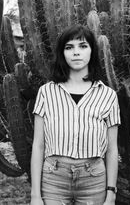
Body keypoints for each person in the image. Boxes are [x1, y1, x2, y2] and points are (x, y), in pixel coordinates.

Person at [30, 25, 121, 205]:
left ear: (92, 51)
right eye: (69, 47)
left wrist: (111, 193)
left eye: (83, 46)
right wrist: (35, 195)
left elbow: (112, 149)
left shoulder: (108, 95)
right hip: (53, 177)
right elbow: (38, 145)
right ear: (62, 53)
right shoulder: (46, 92)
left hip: (93, 178)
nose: (76, 52)